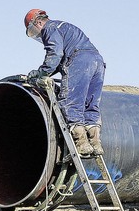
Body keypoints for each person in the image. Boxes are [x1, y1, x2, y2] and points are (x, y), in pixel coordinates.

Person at [24, 9, 105, 158]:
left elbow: (55, 54)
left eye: (34, 31)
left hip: (79, 61)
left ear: (38, 22)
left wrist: (41, 73)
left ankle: (82, 144)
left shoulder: (50, 28)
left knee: (71, 102)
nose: (38, 35)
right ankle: (95, 142)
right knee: (90, 104)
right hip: (97, 61)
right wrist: (46, 70)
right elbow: (61, 60)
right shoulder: (64, 27)